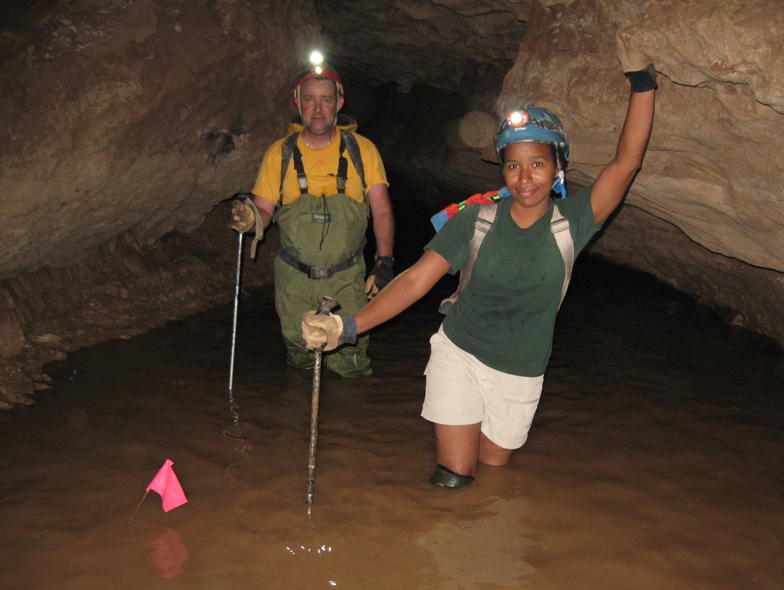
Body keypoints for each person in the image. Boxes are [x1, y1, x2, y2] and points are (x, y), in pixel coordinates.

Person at [301, 33, 657, 487]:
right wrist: (346, 327)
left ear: (558, 167)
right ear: (502, 170)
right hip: (461, 353)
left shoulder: (574, 221)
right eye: (513, 165)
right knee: (455, 477)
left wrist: (641, 81)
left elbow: (626, 163)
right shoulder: (476, 220)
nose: (524, 177)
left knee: (494, 471)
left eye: (537, 164)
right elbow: (414, 282)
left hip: (521, 369)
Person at [231, 60, 395, 377]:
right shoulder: (279, 154)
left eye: (326, 99)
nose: (317, 109)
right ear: (297, 102)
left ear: (339, 103)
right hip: (294, 280)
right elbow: (264, 210)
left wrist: (384, 260)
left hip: (346, 278)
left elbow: (382, 209)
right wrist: (250, 220)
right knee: (300, 355)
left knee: (349, 359)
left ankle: (350, 419)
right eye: (309, 99)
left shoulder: (362, 151)